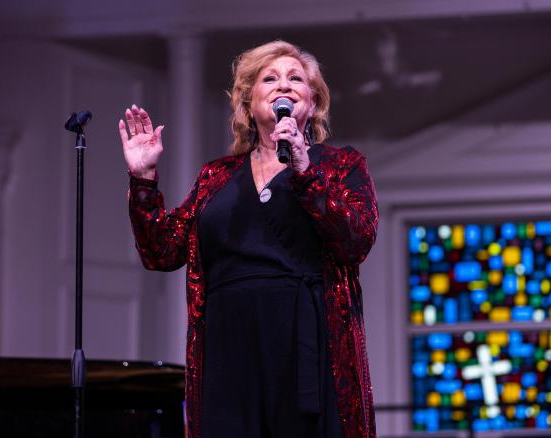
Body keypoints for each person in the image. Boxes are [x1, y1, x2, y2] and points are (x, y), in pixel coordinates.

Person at [119, 40, 377, 438]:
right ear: (248, 101)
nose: (284, 86)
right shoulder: (216, 177)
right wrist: (143, 178)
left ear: (313, 100)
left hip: (303, 341)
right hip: (228, 345)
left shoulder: (341, 165)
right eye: (270, 78)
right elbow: (162, 251)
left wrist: (306, 170)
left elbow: (355, 240)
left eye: (296, 79)